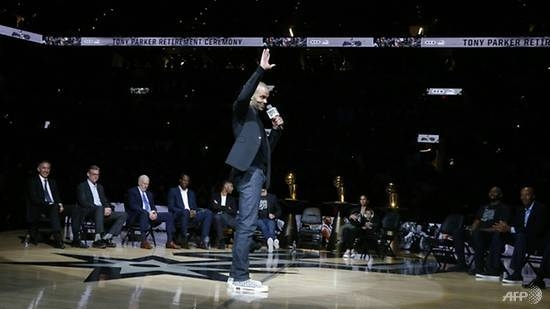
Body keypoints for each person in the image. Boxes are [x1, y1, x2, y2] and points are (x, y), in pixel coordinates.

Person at [225, 48, 283, 292]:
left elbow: (266, 151)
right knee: (247, 224)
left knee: (248, 222)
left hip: (256, 173)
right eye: (261, 96)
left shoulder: (258, 121)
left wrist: (278, 130)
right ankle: (239, 278)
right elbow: (243, 95)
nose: (264, 100)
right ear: (251, 96)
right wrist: (260, 70)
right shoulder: (242, 112)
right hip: (248, 174)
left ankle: (235, 276)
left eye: (267, 98)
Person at [493, 186, 549, 284]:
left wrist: (511, 229)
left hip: (536, 242)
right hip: (521, 240)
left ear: (533, 196)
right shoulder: (520, 209)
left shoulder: (541, 208)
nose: (523, 197)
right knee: (499, 233)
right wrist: (505, 227)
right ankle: (494, 268)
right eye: (522, 195)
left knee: (521, 236)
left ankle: (517, 273)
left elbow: (536, 230)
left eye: (527, 195)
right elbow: (515, 225)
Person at [72, 165, 127, 248]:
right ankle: (97, 239)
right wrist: (100, 209)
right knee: (99, 207)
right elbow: (83, 202)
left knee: (123, 214)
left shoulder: (100, 187)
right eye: (93, 174)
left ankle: (107, 238)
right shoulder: (82, 186)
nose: (95, 176)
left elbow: (104, 200)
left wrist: (108, 207)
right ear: (88, 174)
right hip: (89, 212)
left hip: (101, 212)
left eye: (97, 174)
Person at [126, 175, 181, 249]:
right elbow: (133, 206)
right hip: (137, 217)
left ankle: (169, 242)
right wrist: (148, 212)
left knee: (169, 215)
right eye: (144, 183)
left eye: (147, 184)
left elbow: (153, 206)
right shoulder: (132, 191)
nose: (146, 186)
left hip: (150, 216)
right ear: (139, 183)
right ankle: (144, 241)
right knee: (144, 213)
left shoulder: (149, 194)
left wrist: (154, 212)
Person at [468, 186, 511, 275]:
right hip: (478, 234)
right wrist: (472, 229)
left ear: (500, 195)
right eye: (491, 191)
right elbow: (477, 220)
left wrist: (480, 230)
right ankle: (461, 264)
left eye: (495, 192)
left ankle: (478, 267)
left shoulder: (504, 208)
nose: (492, 193)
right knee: (458, 232)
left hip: (491, 236)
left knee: (478, 234)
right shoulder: (484, 207)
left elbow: (500, 227)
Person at [25, 160, 65, 248]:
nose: (46, 170)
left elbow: (56, 196)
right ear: (38, 169)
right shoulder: (33, 181)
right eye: (43, 168)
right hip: (39, 207)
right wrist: (50, 203)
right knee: (54, 207)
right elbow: (34, 199)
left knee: (73, 209)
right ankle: (58, 239)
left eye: (48, 168)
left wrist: (60, 204)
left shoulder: (52, 182)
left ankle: (75, 239)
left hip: (52, 207)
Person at [167, 173, 213, 249]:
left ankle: (203, 241)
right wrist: (186, 211)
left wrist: (194, 211)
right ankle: (184, 239)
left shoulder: (191, 193)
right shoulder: (173, 191)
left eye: (187, 181)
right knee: (185, 211)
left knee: (208, 212)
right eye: (184, 180)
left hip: (191, 216)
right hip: (179, 216)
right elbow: (171, 208)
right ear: (180, 180)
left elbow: (194, 207)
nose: (185, 182)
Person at [210, 180, 238, 249]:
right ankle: (221, 240)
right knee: (217, 217)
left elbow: (233, 211)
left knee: (221, 216)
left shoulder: (232, 199)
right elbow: (213, 207)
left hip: (228, 218)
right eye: (231, 186)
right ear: (225, 186)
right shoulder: (215, 196)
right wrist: (226, 208)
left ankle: (220, 240)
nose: (232, 188)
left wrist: (220, 208)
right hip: (216, 218)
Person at [257, 188, 282, 252]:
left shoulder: (272, 197)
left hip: (269, 218)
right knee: (262, 225)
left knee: (271, 225)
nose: (262, 189)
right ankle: (273, 239)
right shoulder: (255, 196)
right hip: (257, 218)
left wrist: (274, 215)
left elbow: (279, 210)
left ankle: (270, 241)